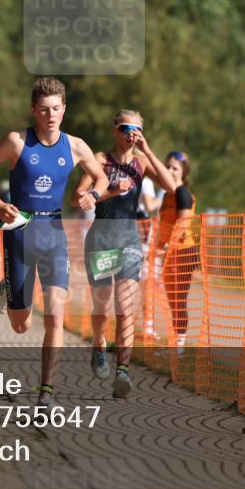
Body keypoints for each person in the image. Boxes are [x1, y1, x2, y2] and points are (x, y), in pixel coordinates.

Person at [0, 77, 108, 408]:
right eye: (44, 109)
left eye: (57, 109)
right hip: (19, 229)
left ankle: (47, 392)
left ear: (64, 110)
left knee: (56, 315)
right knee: (21, 325)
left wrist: (94, 194)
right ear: (34, 110)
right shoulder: (17, 142)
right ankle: (10, 286)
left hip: (53, 232)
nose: (51, 115)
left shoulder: (75, 146)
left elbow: (100, 175)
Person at [72, 110, 176, 399]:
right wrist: (109, 192)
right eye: (125, 128)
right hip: (102, 240)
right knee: (103, 308)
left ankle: (123, 372)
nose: (131, 133)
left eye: (136, 129)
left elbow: (171, 186)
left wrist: (148, 149)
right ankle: (99, 345)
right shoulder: (101, 160)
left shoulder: (142, 164)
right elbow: (77, 199)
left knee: (125, 306)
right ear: (115, 131)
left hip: (129, 240)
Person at [159, 151, 198, 354]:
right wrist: (158, 247)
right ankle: (175, 341)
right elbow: (164, 224)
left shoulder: (182, 193)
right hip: (169, 251)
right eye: (167, 167)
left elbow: (183, 224)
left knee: (179, 298)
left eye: (175, 168)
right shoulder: (166, 195)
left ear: (184, 172)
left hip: (183, 251)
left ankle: (179, 345)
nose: (170, 171)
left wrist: (169, 245)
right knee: (171, 298)